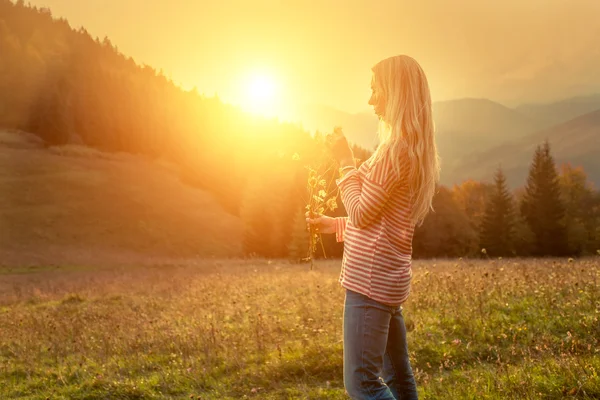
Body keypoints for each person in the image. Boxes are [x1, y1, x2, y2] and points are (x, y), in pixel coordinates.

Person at [307, 55, 440, 400]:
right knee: (397, 375)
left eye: (375, 91)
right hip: (388, 279)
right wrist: (333, 223)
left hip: (369, 283)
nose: (369, 100)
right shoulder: (407, 149)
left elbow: (363, 213)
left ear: (394, 93)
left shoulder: (394, 152)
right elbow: (380, 220)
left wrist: (345, 162)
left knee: (362, 383)